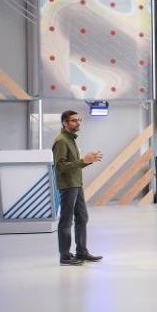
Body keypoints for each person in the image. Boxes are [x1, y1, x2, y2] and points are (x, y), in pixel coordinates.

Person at [53, 110, 103, 266]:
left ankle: (81, 252)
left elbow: (74, 165)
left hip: (76, 184)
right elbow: (60, 167)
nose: (78, 123)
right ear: (65, 123)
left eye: (78, 120)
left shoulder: (70, 139)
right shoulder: (61, 141)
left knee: (82, 217)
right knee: (66, 221)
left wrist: (88, 160)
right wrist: (83, 161)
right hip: (68, 185)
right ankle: (65, 256)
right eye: (73, 120)